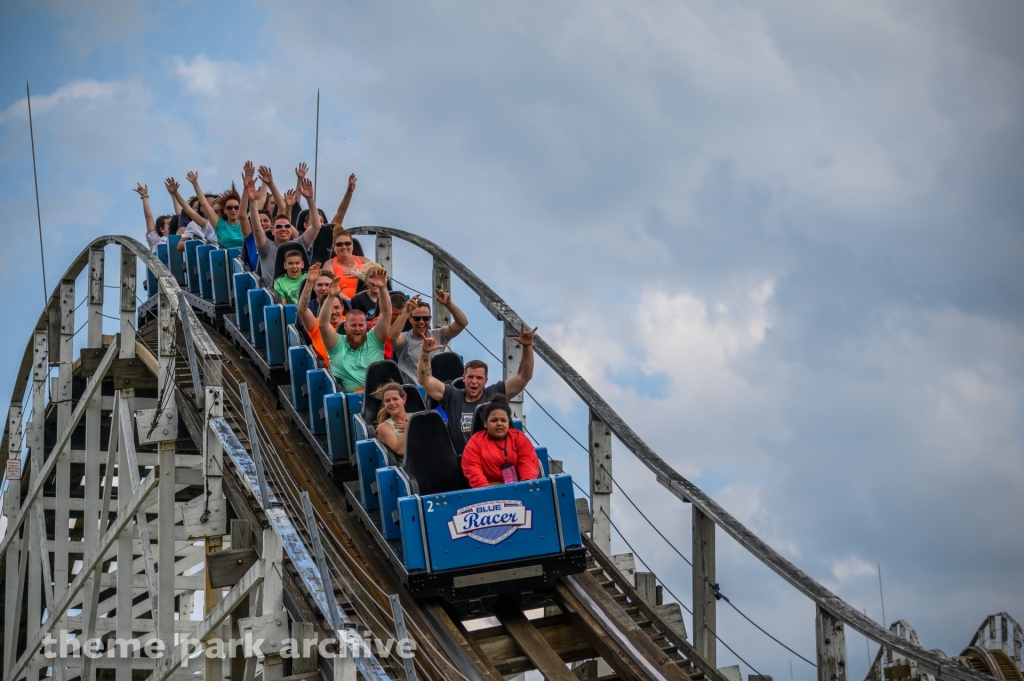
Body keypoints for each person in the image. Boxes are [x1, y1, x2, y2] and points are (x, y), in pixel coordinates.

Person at [417, 323, 536, 454]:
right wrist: (425, 353)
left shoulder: (493, 394)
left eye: (479, 378)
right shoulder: (453, 396)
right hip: (463, 461)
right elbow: (426, 380)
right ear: (463, 378)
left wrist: (527, 347)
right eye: (470, 377)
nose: (474, 381)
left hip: (491, 458)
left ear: (485, 381)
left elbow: (523, 377)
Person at [247, 164, 323, 288]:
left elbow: (316, 227)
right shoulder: (266, 248)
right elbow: (256, 228)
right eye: (279, 227)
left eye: (287, 226)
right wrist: (253, 202)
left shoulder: (298, 245)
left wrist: (310, 199)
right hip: (274, 299)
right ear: (272, 231)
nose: (283, 229)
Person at [319, 268, 393, 393]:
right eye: (353, 325)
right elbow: (323, 325)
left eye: (360, 325)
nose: (357, 329)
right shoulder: (337, 344)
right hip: (352, 400)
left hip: (380, 397)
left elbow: (386, 314)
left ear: (366, 326)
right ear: (346, 326)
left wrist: (383, 288)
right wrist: (331, 297)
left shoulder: (374, 340)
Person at [461, 394, 540, 488]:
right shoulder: (475, 442)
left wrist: (526, 487)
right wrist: (487, 491)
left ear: (508, 423)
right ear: (485, 423)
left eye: (503, 420)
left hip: (519, 489)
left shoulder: (519, 437)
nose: (499, 424)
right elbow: (472, 469)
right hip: (487, 493)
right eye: (494, 420)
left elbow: (528, 463)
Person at [390, 290, 468, 384]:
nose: (421, 322)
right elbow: (393, 338)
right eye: (417, 318)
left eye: (425, 318)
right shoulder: (406, 338)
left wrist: (449, 304)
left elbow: (462, 323)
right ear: (410, 319)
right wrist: (407, 311)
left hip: (437, 390)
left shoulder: (438, 334)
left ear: (430, 319)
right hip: (415, 392)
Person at [297, 263, 345, 366]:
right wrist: (310, 282)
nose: (333, 312)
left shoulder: (350, 323)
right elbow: (302, 310)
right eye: (328, 308)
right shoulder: (317, 326)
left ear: (342, 308)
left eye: (336, 307)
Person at [185, 171, 244, 248]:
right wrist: (195, 183)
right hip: (228, 259)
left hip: (245, 259)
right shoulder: (220, 224)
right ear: (225, 210)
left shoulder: (245, 221)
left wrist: (246, 187)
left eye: (236, 207)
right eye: (229, 208)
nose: (233, 210)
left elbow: (256, 203)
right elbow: (204, 204)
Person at [165, 178, 218, 250]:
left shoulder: (224, 224)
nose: (210, 209)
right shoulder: (199, 225)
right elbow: (189, 211)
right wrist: (175, 193)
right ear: (201, 208)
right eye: (208, 206)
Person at [322, 227, 371, 297]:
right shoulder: (330, 265)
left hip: (366, 303)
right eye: (339, 244)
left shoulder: (363, 261)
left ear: (352, 245)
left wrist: (360, 274)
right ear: (334, 247)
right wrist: (351, 303)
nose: (344, 247)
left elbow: (380, 277)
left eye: (347, 243)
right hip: (342, 304)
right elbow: (330, 288)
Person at [374, 381, 411, 458]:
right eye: (387, 401)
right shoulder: (384, 427)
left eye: (395, 399)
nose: (391, 403)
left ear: (403, 399)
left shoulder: (416, 417)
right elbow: (401, 450)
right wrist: (409, 427)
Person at [135, 183, 174, 252]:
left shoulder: (178, 237)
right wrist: (144, 196)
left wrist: (174, 193)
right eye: (169, 224)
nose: (172, 225)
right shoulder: (156, 240)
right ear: (162, 229)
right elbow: (148, 217)